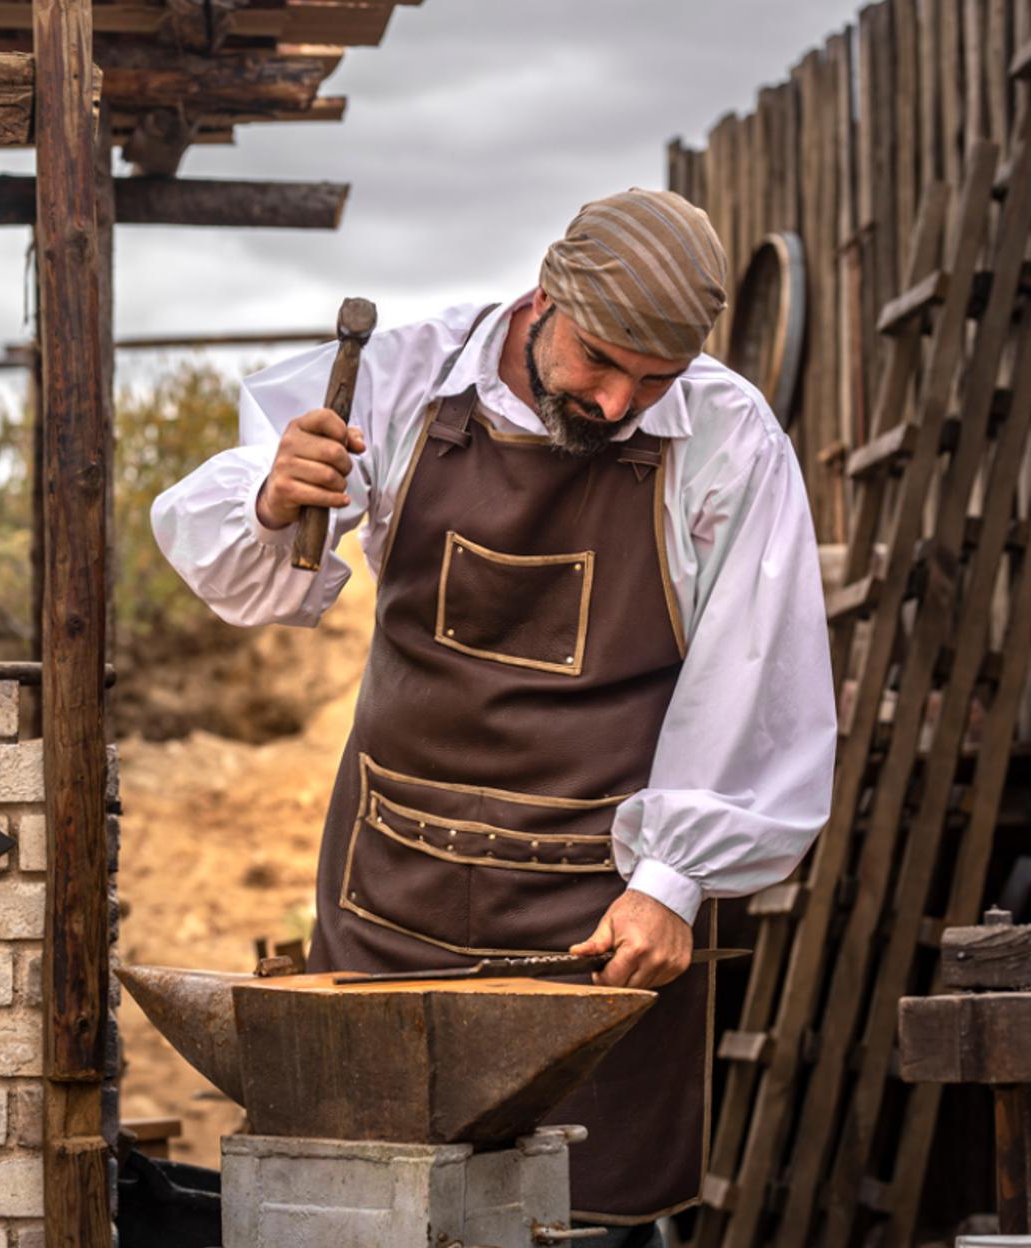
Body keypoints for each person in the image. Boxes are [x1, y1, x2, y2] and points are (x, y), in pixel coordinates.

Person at [151, 190, 836, 1243]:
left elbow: (755, 680)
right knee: (367, 1198)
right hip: (393, 884)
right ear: (544, 297)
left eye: (654, 381)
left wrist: (672, 882)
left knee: (579, 1215)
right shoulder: (402, 378)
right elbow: (256, 582)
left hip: (597, 918)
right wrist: (272, 499)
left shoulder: (729, 438)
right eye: (599, 362)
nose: (617, 402)